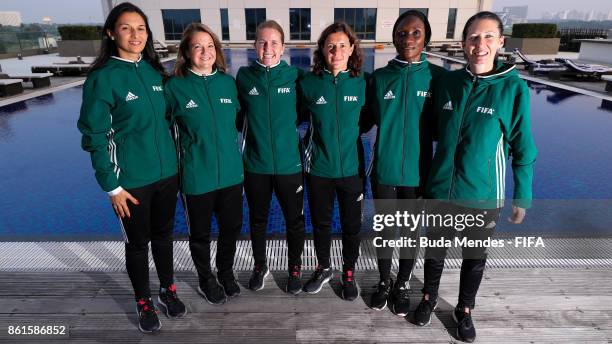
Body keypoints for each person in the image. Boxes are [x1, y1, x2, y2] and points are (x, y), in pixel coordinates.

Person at [413, 11, 537, 343]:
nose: (479, 44)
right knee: (435, 251)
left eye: (486, 37)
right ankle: (428, 297)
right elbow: (433, 133)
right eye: (472, 38)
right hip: (442, 189)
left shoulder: (512, 89)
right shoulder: (449, 83)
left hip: (483, 194)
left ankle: (464, 309)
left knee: (474, 258)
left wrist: (522, 197)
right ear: (463, 43)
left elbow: (523, 147)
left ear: (500, 42)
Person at [77, 2, 185, 334]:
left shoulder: (155, 72)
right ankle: (143, 301)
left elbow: (170, 122)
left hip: (167, 176)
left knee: (165, 237)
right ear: (111, 33)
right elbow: (94, 136)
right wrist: (112, 186)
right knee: (138, 245)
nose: (135, 34)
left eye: (141, 28)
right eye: (126, 27)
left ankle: (167, 289)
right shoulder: (103, 78)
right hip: (131, 185)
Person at [365, 10, 446, 316]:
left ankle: (403, 284)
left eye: (415, 32)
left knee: (410, 232)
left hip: (418, 174)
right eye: (402, 33)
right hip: (384, 171)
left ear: (426, 37)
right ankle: (384, 282)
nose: (408, 38)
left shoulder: (438, 78)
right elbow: (363, 120)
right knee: (386, 231)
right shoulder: (380, 78)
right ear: (394, 38)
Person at [164, 23, 243, 303]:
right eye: (197, 46)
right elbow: (161, 130)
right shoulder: (175, 87)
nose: (205, 51)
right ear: (186, 51)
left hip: (232, 175)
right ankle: (206, 279)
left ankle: (225, 273)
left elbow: (237, 124)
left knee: (231, 229)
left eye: (210, 46)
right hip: (197, 177)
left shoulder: (227, 83)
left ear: (217, 51)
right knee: (200, 234)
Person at [236, 20, 306, 294]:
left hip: (290, 165)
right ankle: (259, 265)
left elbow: (302, 113)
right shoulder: (244, 76)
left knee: (294, 221)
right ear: (254, 46)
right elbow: (238, 116)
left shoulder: (295, 77)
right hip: (256, 165)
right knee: (257, 219)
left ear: (283, 47)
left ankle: (295, 268)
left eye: (274, 42)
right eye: (263, 42)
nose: (268, 48)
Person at [298, 22, 366, 301]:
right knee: (322, 224)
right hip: (319, 169)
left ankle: (347, 272)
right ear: (322, 50)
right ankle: (324, 267)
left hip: (352, 170)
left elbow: (369, 118)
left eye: (341, 45)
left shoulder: (363, 83)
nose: (336, 51)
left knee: (351, 226)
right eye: (330, 46)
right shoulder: (308, 83)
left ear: (351, 48)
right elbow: (296, 117)